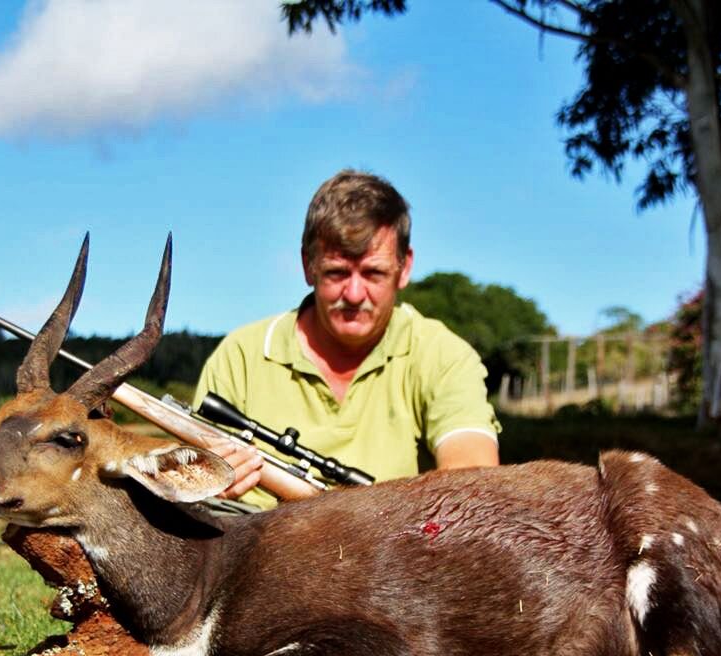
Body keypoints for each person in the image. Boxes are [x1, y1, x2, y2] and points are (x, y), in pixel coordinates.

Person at [194, 170, 500, 509]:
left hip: (393, 555)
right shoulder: (240, 356)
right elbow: (190, 491)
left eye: (373, 273)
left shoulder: (443, 355)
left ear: (405, 266)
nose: (354, 294)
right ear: (308, 266)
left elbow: (475, 479)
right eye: (337, 273)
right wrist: (207, 486)